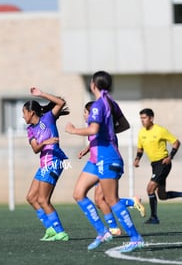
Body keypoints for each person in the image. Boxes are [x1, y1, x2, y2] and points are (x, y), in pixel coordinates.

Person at [65, 71, 144, 252]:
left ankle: (135, 237)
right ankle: (102, 232)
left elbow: (93, 129)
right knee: (78, 194)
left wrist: (73, 130)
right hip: (97, 159)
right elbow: (123, 125)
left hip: (107, 158)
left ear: (93, 84)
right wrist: (105, 136)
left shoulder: (99, 105)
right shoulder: (110, 102)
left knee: (110, 199)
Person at [78, 101, 145, 237]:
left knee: (103, 198)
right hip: (97, 165)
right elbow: (97, 141)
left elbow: (118, 130)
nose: (83, 115)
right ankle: (130, 203)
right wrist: (87, 149)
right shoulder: (93, 126)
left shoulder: (100, 125)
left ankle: (116, 229)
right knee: (100, 200)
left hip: (108, 163)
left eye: (85, 112)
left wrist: (73, 130)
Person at [23, 87, 70, 241]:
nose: (23, 116)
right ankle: (50, 229)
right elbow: (36, 149)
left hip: (54, 162)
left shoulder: (48, 118)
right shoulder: (30, 130)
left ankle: (60, 232)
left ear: (31, 113)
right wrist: (46, 142)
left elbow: (61, 102)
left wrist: (41, 94)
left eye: (24, 113)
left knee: (43, 200)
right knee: (31, 197)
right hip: (44, 163)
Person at [133, 108, 182, 224]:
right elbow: (140, 148)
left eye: (144, 118)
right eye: (141, 118)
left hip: (163, 163)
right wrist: (137, 159)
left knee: (150, 189)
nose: (142, 121)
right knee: (162, 195)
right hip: (154, 165)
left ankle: (154, 217)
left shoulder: (160, 130)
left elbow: (176, 142)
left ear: (151, 118)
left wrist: (170, 157)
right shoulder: (141, 132)